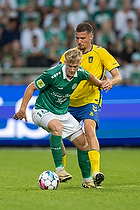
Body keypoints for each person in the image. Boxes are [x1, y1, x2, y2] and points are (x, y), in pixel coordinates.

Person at [13, 48, 107, 188]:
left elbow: (90, 77)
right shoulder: (52, 74)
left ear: (78, 64)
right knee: (57, 127)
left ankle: (87, 180)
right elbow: (31, 87)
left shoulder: (80, 73)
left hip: (63, 114)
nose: (72, 69)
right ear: (65, 63)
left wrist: (101, 84)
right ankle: (60, 169)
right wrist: (22, 109)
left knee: (83, 144)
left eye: (75, 66)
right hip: (42, 110)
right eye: (69, 66)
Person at [60, 22, 122, 188]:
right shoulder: (69, 55)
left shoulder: (100, 53)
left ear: (90, 37)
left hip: (90, 100)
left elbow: (118, 76)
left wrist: (111, 82)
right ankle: (61, 172)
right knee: (57, 133)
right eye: (77, 38)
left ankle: (95, 172)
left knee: (89, 129)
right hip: (69, 102)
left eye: (82, 38)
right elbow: (59, 75)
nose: (79, 41)